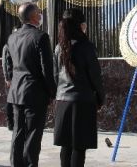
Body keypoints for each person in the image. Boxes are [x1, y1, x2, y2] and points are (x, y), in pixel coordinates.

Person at [6, 2, 56, 167]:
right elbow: (47, 69)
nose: (41, 15)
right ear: (34, 16)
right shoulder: (41, 37)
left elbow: (10, 63)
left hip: (16, 91)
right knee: (33, 134)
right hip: (35, 93)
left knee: (18, 132)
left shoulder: (12, 37)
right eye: (39, 13)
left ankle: (16, 163)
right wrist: (52, 92)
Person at [53, 9, 105, 167]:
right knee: (79, 146)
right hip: (82, 101)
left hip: (62, 101)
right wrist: (100, 98)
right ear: (80, 25)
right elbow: (95, 76)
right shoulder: (85, 46)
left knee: (66, 145)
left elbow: (55, 75)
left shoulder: (58, 47)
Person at [2, 21, 22, 131]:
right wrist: (7, 78)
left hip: (19, 77)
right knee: (10, 101)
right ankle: (10, 123)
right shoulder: (7, 46)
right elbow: (5, 63)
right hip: (11, 77)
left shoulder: (20, 45)